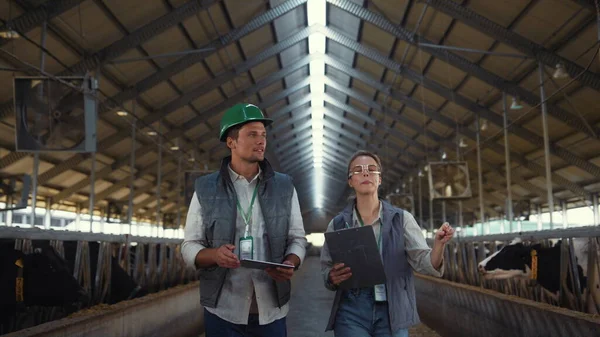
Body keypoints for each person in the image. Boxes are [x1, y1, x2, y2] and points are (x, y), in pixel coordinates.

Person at [181, 103, 307, 337]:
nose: (261, 141)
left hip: (272, 309)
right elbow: (190, 245)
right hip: (223, 309)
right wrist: (214, 255)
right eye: (252, 135)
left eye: (263, 135)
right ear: (231, 142)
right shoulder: (206, 188)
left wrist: (291, 262)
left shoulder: (284, 186)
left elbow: (297, 238)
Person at [320, 150, 454, 337]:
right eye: (358, 170)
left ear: (380, 179)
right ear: (350, 181)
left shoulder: (402, 219)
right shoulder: (338, 224)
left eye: (372, 169)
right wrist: (331, 277)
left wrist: (439, 245)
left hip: (393, 309)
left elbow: (424, 262)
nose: (366, 173)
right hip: (352, 309)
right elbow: (326, 268)